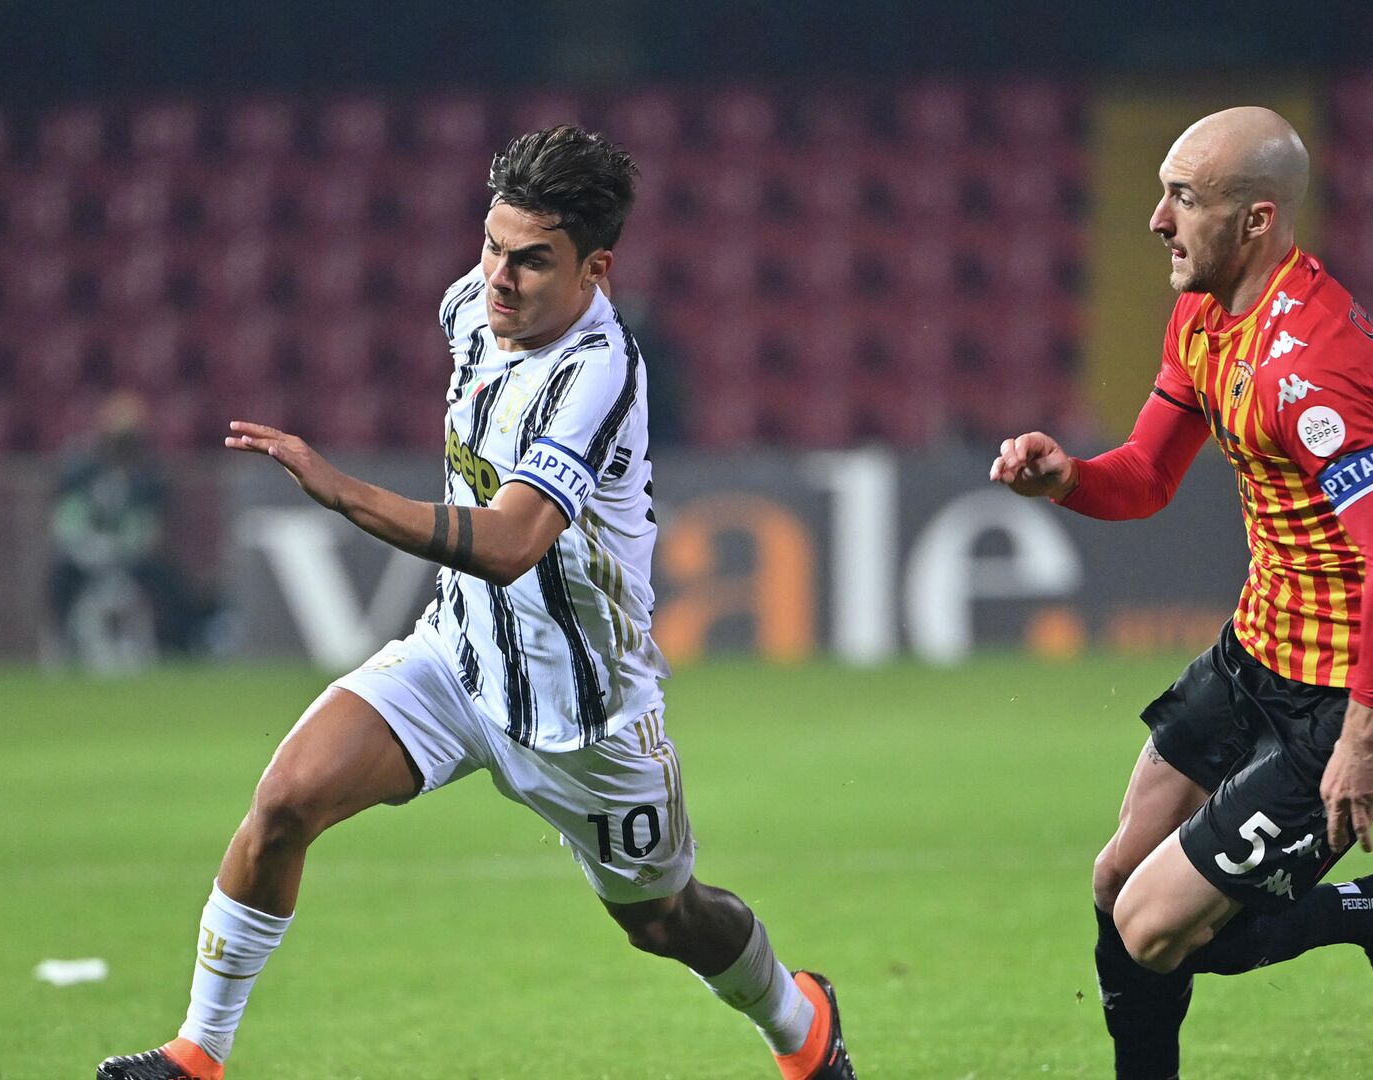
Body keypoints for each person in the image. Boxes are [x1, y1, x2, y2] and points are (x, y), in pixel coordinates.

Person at [99, 126, 854, 1080]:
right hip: (455, 657)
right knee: (285, 800)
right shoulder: (472, 303)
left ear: (595, 268)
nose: (499, 277)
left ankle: (802, 1022)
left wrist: (342, 490)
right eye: (492, 245)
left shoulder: (596, 372)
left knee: (665, 921)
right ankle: (198, 1055)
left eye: (532, 261)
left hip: (584, 717)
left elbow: (507, 544)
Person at [989, 107, 1373, 1079]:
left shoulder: (1312, 370)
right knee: (1117, 881)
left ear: (1255, 219)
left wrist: (1362, 742)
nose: (1158, 221)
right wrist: (1067, 479)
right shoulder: (1205, 315)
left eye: (1183, 198)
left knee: (1157, 930)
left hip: (1350, 690)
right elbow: (1148, 478)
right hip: (1259, 649)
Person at [49, 391, 201, 662]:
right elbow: (69, 519)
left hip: (132, 555)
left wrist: (126, 548)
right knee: (60, 576)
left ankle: (177, 644)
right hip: (87, 552)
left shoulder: (149, 478)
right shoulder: (82, 472)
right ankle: (60, 641)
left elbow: (149, 527)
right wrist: (89, 548)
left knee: (168, 578)